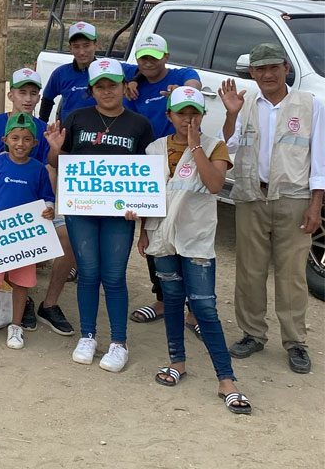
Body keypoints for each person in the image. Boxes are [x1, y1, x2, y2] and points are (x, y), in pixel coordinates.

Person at [133, 87, 251, 414]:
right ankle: (177, 362)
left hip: (196, 238)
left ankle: (226, 379)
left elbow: (214, 184)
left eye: (193, 113)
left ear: (201, 116)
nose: (187, 119)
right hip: (162, 238)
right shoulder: (155, 149)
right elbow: (149, 196)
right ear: (169, 115)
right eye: (181, 113)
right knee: (171, 300)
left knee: (204, 308)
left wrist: (196, 144)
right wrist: (142, 230)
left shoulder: (214, 146)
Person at [220, 43, 324, 375]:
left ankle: (295, 342)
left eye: (273, 68)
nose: (267, 75)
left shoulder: (310, 105)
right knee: (249, 270)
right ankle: (252, 334)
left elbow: (320, 160)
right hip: (252, 195)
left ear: (285, 69)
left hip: (293, 199)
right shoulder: (246, 104)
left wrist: (316, 205)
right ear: (252, 73)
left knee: (291, 273)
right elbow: (229, 145)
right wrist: (231, 114)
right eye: (260, 69)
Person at [45, 57, 154, 372]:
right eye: (100, 86)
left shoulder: (139, 124)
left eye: (113, 85)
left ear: (123, 86)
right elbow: (58, 163)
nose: (107, 92)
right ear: (92, 90)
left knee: (114, 276)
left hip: (120, 214)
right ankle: (88, 335)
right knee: (89, 273)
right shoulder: (76, 118)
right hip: (82, 209)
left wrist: (142, 207)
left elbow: (145, 173)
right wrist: (54, 148)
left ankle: (119, 342)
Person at [0, 67, 76, 336]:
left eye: (33, 93)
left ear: (39, 97)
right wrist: (5, 166)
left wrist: (53, 149)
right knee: (3, 241)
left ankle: (48, 304)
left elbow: (50, 168)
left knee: (67, 236)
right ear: (11, 94)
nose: (27, 99)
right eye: (22, 92)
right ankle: (18, 301)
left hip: (31, 202)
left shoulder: (43, 130)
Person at [125, 33, 202, 327]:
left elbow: (193, 85)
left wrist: (181, 90)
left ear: (166, 57)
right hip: (151, 164)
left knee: (190, 234)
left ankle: (195, 309)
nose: (148, 62)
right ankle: (161, 299)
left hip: (185, 162)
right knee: (154, 232)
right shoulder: (134, 84)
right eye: (143, 57)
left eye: (154, 57)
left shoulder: (182, 75)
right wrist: (132, 78)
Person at [0, 113, 57, 351]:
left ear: (35, 144)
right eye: (15, 138)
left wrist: (49, 209)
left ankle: (16, 326)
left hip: (25, 237)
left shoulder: (38, 169)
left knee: (22, 284)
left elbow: (48, 197)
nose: (20, 144)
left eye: (26, 139)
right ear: (5, 139)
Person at [39, 21, 137, 121]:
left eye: (86, 45)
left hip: (102, 131)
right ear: (70, 48)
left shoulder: (112, 68)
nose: (82, 52)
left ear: (95, 45)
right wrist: (42, 127)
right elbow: (47, 99)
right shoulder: (60, 73)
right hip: (70, 133)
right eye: (76, 46)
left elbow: (143, 70)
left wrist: (135, 81)